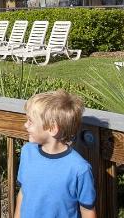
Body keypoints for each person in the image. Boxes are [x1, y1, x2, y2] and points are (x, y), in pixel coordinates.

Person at [15, 90, 96, 218]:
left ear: (52, 129)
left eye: (30, 121)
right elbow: (23, 192)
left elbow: (87, 210)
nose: (25, 125)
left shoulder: (80, 169)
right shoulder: (27, 152)